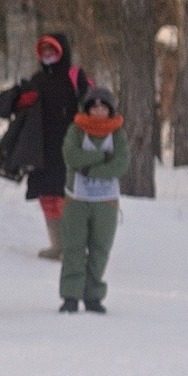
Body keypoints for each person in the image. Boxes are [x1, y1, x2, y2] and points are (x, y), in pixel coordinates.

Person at [0, 32, 91, 260]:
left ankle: (72, 247)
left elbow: (93, 101)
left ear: (62, 51)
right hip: (41, 149)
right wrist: (21, 99)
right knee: (47, 197)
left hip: (69, 147)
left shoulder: (74, 76)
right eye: (44, 51)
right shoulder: (36, 80)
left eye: (53, 50)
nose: (48, 55)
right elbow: (5, 108)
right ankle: (57, 245)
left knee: (67, 197)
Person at [58, 85, 128, 313]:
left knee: (100, 249)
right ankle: (71, 295)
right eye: (94, 108)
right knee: (73, 248)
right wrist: (102, 156)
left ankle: (93, 295)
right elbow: (71, 156)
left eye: (103, 108)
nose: (98, 112)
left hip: (106, 202)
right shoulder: (76, 130)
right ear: (87, 109)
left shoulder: (117, 133)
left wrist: (90, 170)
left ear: (110, 110)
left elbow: (121, 163)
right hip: (76, 199)